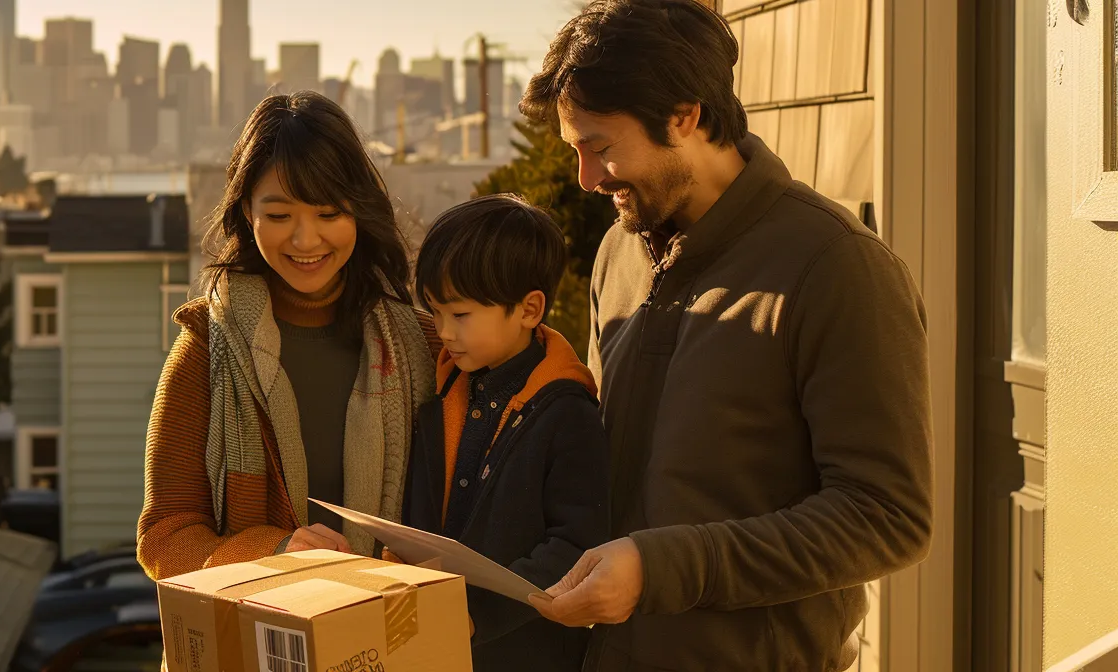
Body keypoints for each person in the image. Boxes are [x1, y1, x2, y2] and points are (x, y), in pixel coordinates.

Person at [515, 0, 935, 669]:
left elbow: (888, 517)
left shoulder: (837, 267)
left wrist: (663, 567)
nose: (586, 180)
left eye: (599, 148)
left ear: (685, 115)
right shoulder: (616, 254)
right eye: (574, 151)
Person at [135, 91, 439, 580]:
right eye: (279, 216)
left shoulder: (422, 346)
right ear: (245, 213)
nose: (305, 240)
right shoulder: (206, 349)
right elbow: (165, 536)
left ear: (358, 211)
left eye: (328, 213)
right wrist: (271, 553)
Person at [399, 194, 609, 671]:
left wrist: (478, 615)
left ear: (529, 309)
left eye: (461, 315)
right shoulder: (447, 392)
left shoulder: (567, 411)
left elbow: (576, 543)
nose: (444, 332)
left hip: (529, 650)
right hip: (439, 643)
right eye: (435, 313)